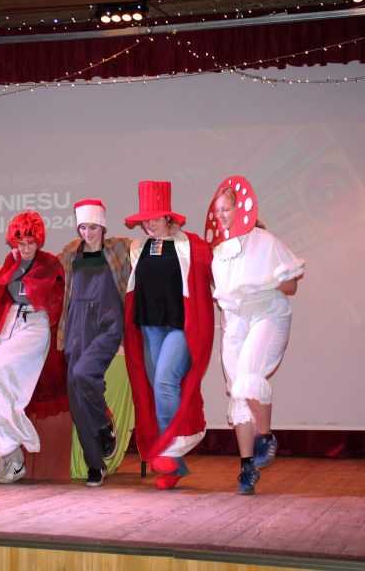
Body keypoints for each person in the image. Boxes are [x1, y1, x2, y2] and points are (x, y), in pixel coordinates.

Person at [205, 175, 305, 495]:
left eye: (226, 209)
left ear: (241, 209)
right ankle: (247, 467)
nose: (220, 215)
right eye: (217, 210)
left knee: (249, 377)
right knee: (239, 393)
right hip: (236, 323)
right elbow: (225, 298)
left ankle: (266, 436)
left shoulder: (265, 242)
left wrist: (265, 282)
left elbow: (291, 285)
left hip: (268, 315)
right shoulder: (220, 253)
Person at [124, 180, 214, 490]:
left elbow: (219, 274)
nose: (149, 224)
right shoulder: (138, 248)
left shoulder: (192, 245)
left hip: (180, 327)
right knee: (157, 388)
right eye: (145, 219)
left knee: (164, 381)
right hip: (149, 326)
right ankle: (174, 465)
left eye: (155, 218)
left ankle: (171, 453)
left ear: (168, 218)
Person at [0, 210, 65, 484]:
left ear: (39, 240)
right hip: (11, 322)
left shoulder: (50, 263)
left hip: (36, 325)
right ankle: (10, 457)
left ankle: (10, 453)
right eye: (20, 243)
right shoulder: (11, 260)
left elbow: (56, 299)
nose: (25, 249)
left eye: (30, 243)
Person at [57, 199, 131, 487]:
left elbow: (150, 246)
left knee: (83, 373)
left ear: (103, 226)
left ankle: (103, 422)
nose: (87, 233)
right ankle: (95, 465)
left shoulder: (120, 248)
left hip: (108, 322)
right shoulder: (69, 253)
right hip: (76, 325)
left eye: (93, 228)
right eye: (83, 228)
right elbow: (46, 267)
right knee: (77, 398)